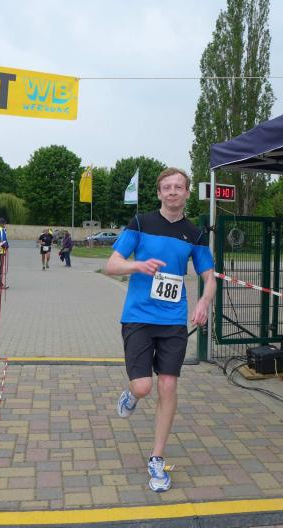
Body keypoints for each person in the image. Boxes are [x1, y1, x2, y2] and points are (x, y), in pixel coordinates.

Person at [104, 167, 215, 493]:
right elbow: (111, 264)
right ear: (159, 193)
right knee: (143, 387)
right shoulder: (141, 223)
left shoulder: (194, 233)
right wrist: (136, 265)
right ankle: (131, 395)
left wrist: (204, 302)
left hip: (173, 321)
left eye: (178, 187)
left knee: (168, 385)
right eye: (167, 187)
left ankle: (156, 457)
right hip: (138, 317)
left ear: (187, 193)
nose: (172, 191)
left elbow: (209, 277)